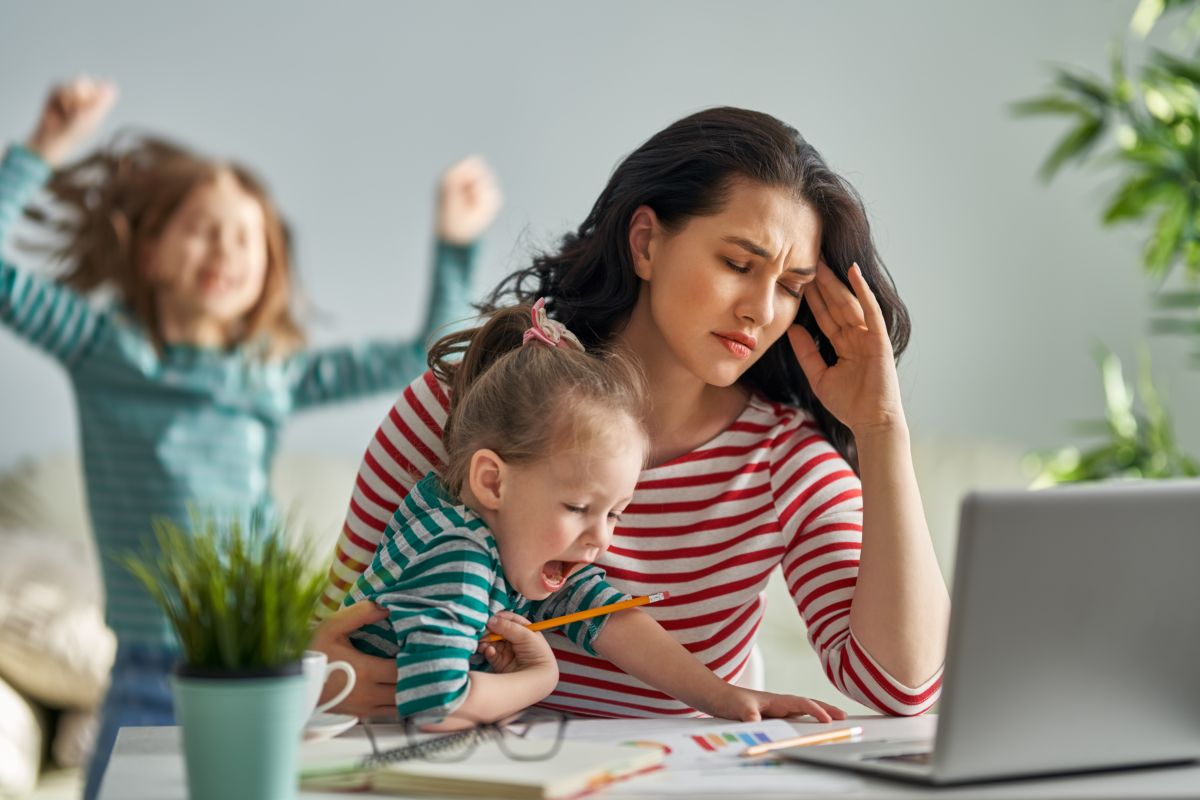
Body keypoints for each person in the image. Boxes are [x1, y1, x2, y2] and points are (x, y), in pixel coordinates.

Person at [313, 106, 950, 721]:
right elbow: (326, 629)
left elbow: (901, 688)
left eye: (790, 287)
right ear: (645, 243)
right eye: (737, 264)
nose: (761, 309)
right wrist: (325, 681)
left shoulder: (784, 462)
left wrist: (882, 429)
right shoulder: (466, 403)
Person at [0, 77, 501, 798]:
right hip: (149, 669)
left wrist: (457, 242)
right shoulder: (101, 349)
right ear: (148, 255)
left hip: (266, 662)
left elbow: (430, 349)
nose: (227, 246)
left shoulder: (270, 375)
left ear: (267, 269)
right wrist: (43, 148)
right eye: (202, 226)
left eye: (247, 236)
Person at [345, 300, 845, 729]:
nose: (600, 541)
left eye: (615, 515)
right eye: (579, 508)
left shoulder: (502, 538)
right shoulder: (458, 558)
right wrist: (539, 680)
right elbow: (435, 705)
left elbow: (605, 613)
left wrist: (724, 697)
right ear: (492, 482)